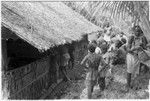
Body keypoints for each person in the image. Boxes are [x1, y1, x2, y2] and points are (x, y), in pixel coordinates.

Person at [126, 25, 148, 90]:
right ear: (134, 31)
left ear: (140, 31)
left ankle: (136, 85)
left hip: (138, 56)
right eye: (136, 31)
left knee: (137, 72)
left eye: (139, 31)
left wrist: (142, 46)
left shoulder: (143, 38)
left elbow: (145, 47)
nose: (137, 33)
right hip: (131, 55)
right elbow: (127, 49)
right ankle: (128, 85)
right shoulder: (131, 38)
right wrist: (134, 48)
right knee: (129, 71)